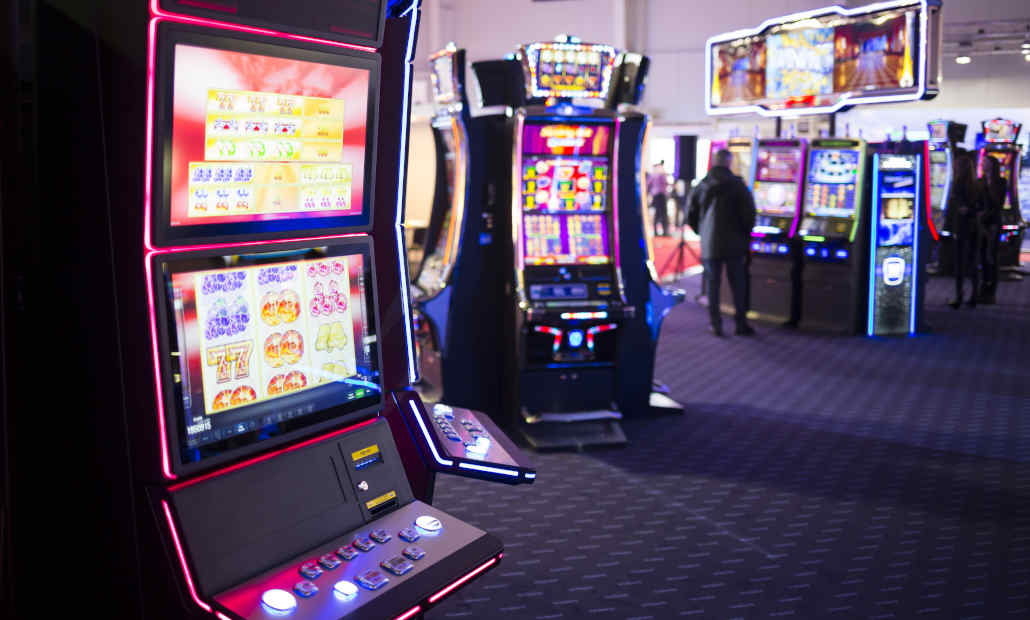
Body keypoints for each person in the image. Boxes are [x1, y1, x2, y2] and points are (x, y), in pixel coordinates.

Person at [687, 148, 757, 336]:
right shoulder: (738, 185)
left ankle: (715, 324)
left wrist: (703, 232)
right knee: (738, 284)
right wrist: (745, 235)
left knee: (712, 285)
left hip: (710, 242)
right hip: (735, 242)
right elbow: (749, 215)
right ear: (728, 162)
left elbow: (690, 214)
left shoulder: (702, 185)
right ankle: (740, 324)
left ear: (714, 161)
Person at [944, 152, 981, 309]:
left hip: (961, 226)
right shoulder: (977, 184)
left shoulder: (958, 184)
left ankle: (959, 297)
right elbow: (979, 206)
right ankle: (974, 296)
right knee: (972, 261)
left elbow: (955, 208)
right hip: (974, 227)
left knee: (959, 263)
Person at [977, 156, 1005, 304]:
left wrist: (985, 213)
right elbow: (977, 201)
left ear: (993, 165)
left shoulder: (1001, 182)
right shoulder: (980, 181)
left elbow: (998, 204)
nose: (983, 165)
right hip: (981, 223)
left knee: (991, 257)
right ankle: (983, 289)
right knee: (982, 257)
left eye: (986, 163)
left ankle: (991, 292)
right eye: (983, 163)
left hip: (993, 223)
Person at [648, 161, 670, 237]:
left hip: (656, 196)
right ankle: (665, 231)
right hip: (661, 196)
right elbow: (666, 183)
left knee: (657, 214)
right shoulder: (662, 174)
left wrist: (649, 194)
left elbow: (648, 185)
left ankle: (656, 232)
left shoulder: (653, 175)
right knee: (663, 214)